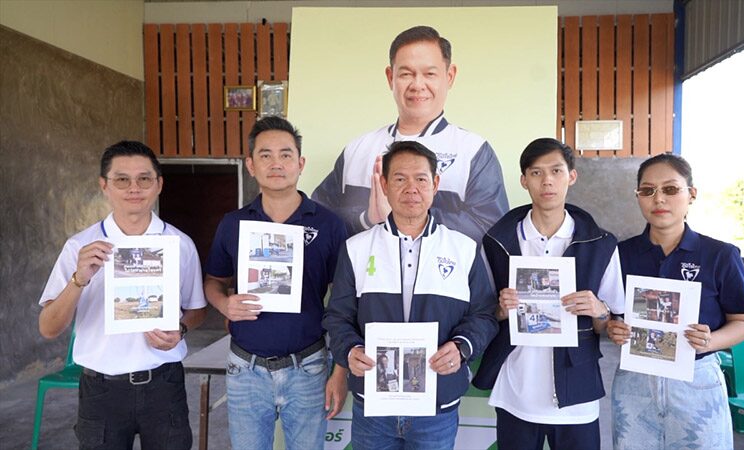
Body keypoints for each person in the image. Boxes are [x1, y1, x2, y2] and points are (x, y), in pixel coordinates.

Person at [323, 140, 498, 450]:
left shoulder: (463, 249)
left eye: (421, 179)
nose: (411, 188)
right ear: (384, 184)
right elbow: (337, 316)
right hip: (373, 405)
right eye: (400, 179)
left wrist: (461, 347)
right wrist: (349, 351)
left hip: (437, 405)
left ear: (435, 184)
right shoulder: (356, 248)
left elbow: (484, 315)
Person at [38, 140, 207, 449]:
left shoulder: (179, 245)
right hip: (102, 389)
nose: (134, 188)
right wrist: (79, 279)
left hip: (164, 384)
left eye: (144, 179)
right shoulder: (80, 247)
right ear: (104, 185)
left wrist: (180, 330)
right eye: (121, 179)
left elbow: (196, 310)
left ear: (159, 185)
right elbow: (48, 328)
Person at [204, 116, 349, 450]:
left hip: (309, 367)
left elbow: (345, 302)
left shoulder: (329, 225)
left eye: (285, 154)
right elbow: (214, 281)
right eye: (265, 155)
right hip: (246, 369)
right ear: (251, 165)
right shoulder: (233, 224)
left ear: (300, 163)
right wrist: (225, 304)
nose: (276, 163)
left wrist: (339, 372)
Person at [473, 138, 624, 450]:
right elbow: (482, 312)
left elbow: (609, 323)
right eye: (536, 173)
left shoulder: (601, 244)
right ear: (524, 180)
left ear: (572, 176)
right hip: (516, 390)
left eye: (556, 171)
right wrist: (501, 309)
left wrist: (598, 309)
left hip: (577, 391)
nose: (547, 181)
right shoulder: (497, 242)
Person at [607, 154, 744, 449]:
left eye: (671, 189)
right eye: (647, 190)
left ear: (692, 194)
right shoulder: (620, 254)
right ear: (638, 196)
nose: (659, 199)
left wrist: (710, 341)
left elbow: (743, 322)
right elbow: (608, 316)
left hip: (697, 381)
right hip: (634, 380)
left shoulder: (720, 255)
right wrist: (612, 327)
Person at [312, 25, 509, 243]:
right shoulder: (357, 150)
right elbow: (319, 219)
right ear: (390, 77)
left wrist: (405, 215)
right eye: (406, 74)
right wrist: (367, 219)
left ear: (450, 76)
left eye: (429, 74)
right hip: (367, 266)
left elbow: (490, 229)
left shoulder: (473, 151)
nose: (417, 85)